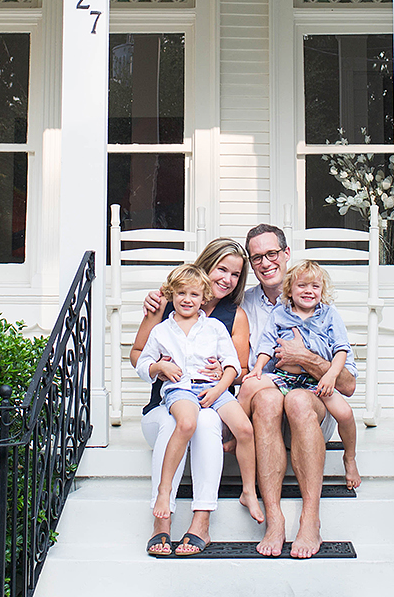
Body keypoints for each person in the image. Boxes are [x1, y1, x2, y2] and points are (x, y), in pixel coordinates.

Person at [147, 223, 357, 559]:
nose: (265, 262)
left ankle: (310, 519)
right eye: (257, 257)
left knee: (298, 401)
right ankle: (274, 519)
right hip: (262, 405)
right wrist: (162, 298)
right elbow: (193, 302)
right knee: (268, 397)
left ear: (286, 254)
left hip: (311, 400)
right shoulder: (239, 304)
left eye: (272, 253)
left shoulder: (317, 302)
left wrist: (305, 357)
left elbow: (347, 384)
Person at [129, 239, 255, 557]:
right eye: (221, 269)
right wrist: (158, 367)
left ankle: (201, 521)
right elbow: (138, 354)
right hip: (166, 403)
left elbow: (239, 369)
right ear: (205, 266)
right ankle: (162, 521)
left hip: (209, 396)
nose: (227, 279)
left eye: (236, 274)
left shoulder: (231, 317)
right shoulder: (165, 304)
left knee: (208, 420)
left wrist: (222, 374)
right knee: (178, 422)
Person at [243, 260, 361, 491]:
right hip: (283, 377)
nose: (309, 291)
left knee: (345, 414)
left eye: (315, 286)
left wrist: (330, 376)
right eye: (302, 286)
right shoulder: (279, 313)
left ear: (322, 290)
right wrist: (258, 368)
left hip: (316, 382)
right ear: (289, 290)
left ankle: (350, 457)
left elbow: (341, 350)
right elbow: (267, 343)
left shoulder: (329, 315)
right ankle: (237, 433)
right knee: (249, 386)